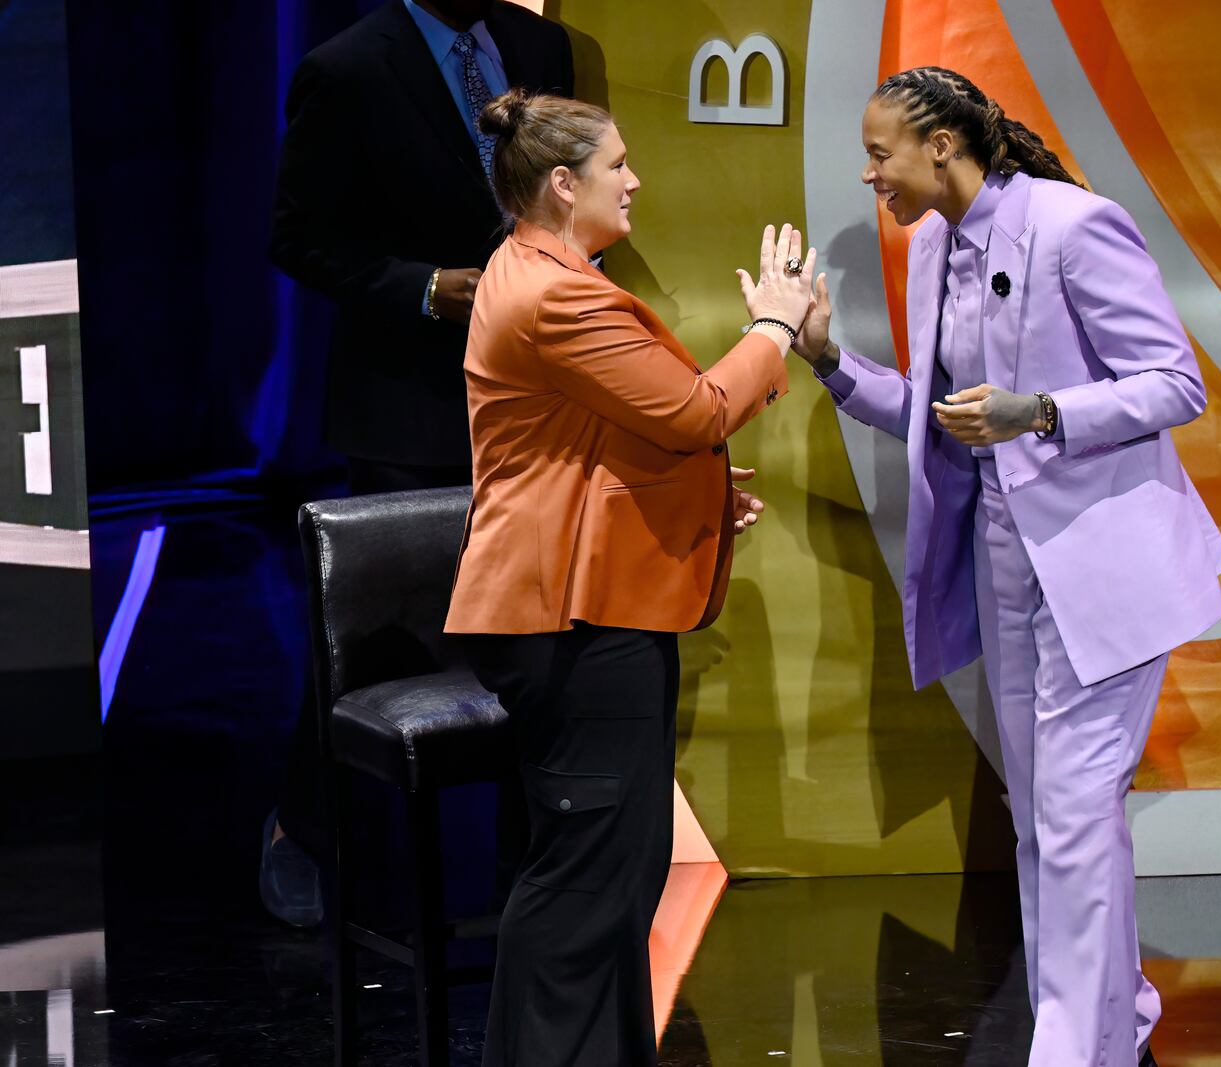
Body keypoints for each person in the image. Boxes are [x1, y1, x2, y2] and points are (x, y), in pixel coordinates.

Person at [792, 67, 1221, 1067]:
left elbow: (1175, 383)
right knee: (1045, 818)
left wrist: (1038, 412)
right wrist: (828, 360)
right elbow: (938, 415)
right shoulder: (933, 249)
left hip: (1103, 559)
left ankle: (1073, 1051)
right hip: (1005, 556)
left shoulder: (1075, 226)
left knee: (1073, 811)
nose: (872, 178)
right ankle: (1101, 1026)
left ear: (941, 145)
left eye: (880, 155)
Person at [444, 89, 813, 1065]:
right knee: (584, 882)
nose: (636, 179)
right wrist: (773, 327)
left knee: (617, 871)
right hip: (563, 616)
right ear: (564, 185)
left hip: (580, 603)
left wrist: (688, 494)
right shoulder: (555, 292)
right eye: (618, 165)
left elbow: (589, 435)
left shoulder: (533, 269)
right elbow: (693, 411)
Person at [260, 0, 573, 926]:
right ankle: (303, 828)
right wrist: (428, 289)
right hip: (410, 402)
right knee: (385, 637)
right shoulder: (348, 69)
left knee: (543, 622)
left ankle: (534, 854)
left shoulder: (540, 46)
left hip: (534, 396)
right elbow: (298, 238)